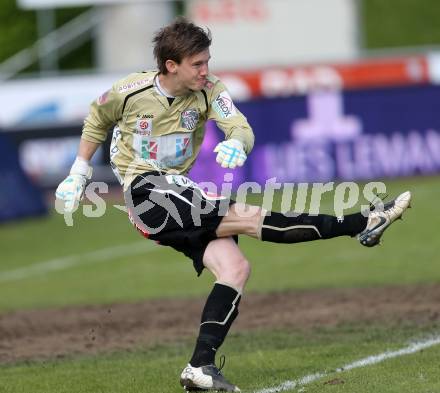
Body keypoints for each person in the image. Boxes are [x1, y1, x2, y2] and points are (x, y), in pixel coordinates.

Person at [55, 17, 412, 393]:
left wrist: (237, 143)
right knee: (249, 216)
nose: (206, 70)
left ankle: (200, 366)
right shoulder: (130, 91)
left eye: (207, 61)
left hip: (177, 189)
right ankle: (362, 222)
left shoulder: (210, 90)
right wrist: (79, 172)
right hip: (147, 192)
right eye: (197, 64)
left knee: (235, 268)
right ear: (171, 65)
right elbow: (97, 119)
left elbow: (240, 126)